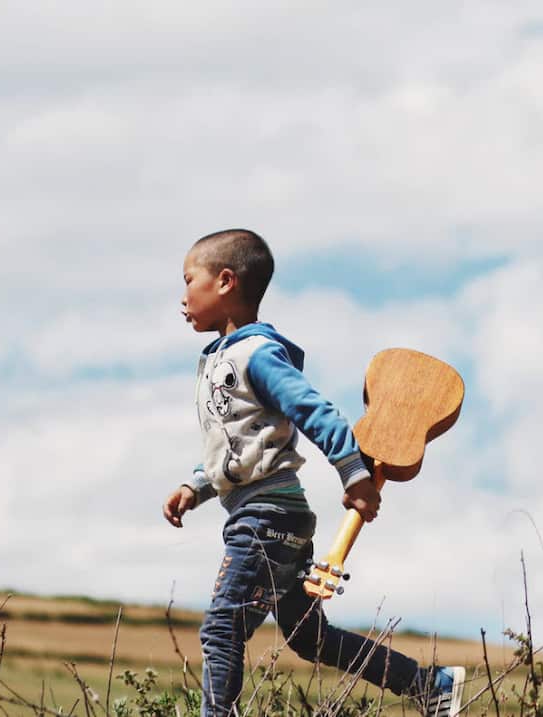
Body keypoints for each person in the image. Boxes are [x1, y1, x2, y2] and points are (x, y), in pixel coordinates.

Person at [162, 229, 465, 716]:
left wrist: (354, 475)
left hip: (264, 518)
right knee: (309, 637)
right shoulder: (222, 359)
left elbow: (315, 411)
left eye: (187, 280)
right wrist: (195, 486)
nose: (182, 296)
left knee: (222, 627)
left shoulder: (256, 354)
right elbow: (235, 443)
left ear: (225, 281)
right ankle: (432, 684)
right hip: (275, 516)